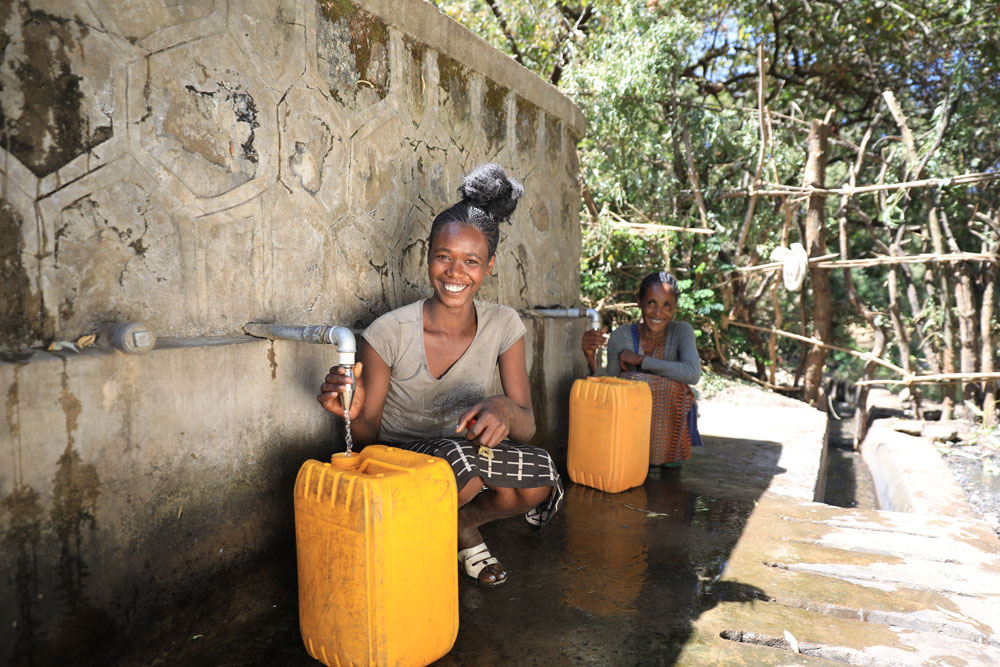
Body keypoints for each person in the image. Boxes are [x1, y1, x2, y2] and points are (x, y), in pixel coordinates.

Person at [318, 164, 563, 588]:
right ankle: (444, 547)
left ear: (489, 265)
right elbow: (367, 437)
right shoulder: (388, 332)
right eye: (443, 257)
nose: (455, 273)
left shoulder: (504, 325)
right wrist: (351, 412)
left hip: (464, 457)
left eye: (471, 261)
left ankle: (460, 525)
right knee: (463, 466)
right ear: (427, 257)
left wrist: (505, 408)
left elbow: (527, 425)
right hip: (401, 459)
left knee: (540, 473)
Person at [581, 271, 702, 467]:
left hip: (668, 431)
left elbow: (692, 373)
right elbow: (608, 383)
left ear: (675, 308)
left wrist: (640, 360)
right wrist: (590, 356)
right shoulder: (622, 336)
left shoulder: (681, 332)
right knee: (626, 382)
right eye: (652, 302)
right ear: (639, 301)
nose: (658, 312)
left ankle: (664, 458)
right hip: (630, 429)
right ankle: (633, 453)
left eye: (667, 305)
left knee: (671, 386)